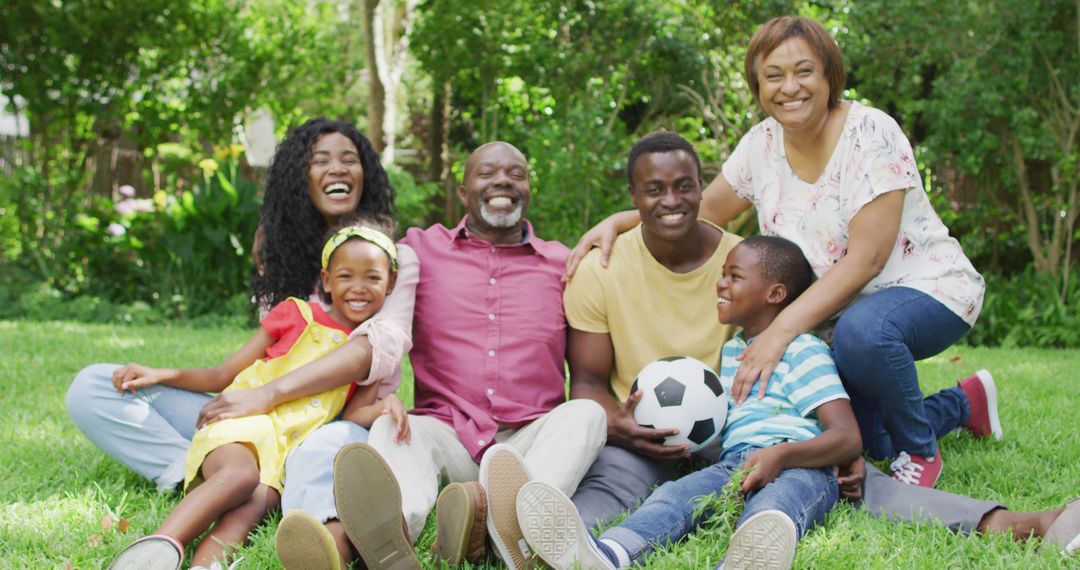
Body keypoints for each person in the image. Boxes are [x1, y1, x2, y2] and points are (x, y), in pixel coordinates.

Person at [567, 16, 996, 488]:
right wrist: (619, 220)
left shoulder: (871, 133)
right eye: (773, 76)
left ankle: (920, 450)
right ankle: (965, 403)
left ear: (829, 74)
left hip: (923, 290)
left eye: (804, 71)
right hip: (836, 317)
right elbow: (703, 208)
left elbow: (868, 260)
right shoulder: (761, 144)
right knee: (863, 440)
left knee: (865, 333)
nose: (789, 87)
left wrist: (778, 334)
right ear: (758, 86)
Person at [66, 118, 420, 570]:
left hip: (320, 425)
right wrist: (166, 376)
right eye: (321, 160)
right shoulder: (284, 258)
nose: (337, 169)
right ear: (300, 178)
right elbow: (249, 365)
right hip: (257, 420)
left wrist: (264, 396)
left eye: (349, 159)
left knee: (307, 454)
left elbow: (372, 351)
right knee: (96, 386)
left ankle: (243, 492)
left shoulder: (397, 258)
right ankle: (209, 477)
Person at [329, 142, 607, 570]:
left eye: (516, 174)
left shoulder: (562, 263)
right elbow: (354, 272)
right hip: (446, 433)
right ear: (463, 192)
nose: (502, 181)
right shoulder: (418, 251)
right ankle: (392, 538)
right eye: (488, 173)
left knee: (587, 415)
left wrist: (621, 219)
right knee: (393, 426)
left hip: (527, 444)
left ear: (529, 188)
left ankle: (509, 521)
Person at [518, 235, 861, 570]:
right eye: (723, 274)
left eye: (734, 277)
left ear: (775, 293)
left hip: (799, 463)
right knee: (674, 496)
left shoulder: (803, 350)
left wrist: (782, 455)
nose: (721, 284)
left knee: (775, 506)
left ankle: (748, 558)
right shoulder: (733, 351)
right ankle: (608, 553)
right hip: (736, 465)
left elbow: (847, 437)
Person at [107, 222, 408, 570]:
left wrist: (385, 406)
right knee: (239, 476)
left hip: (283, 455)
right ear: (326, 280)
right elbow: (223, 374)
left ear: (391, 283)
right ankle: (156, 549)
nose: (359, 288)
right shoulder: (296, 313)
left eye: (372, 277)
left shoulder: (370, 351)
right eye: (345, 276)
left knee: (251, 508)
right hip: (243, 422)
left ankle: (203, 567)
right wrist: (163, 374)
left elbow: (354, 415)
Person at [565, 131, 742, 527]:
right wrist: (621, 426)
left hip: (728, 433)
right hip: (635, 438)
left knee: (769, 480)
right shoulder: (599, 270)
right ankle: (539, 533)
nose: (671, 201)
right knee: (598, 501)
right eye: (654, 189)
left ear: (700, 187)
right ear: (633, 196)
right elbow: (588, 384)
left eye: (684, 186)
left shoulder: (742, 263)